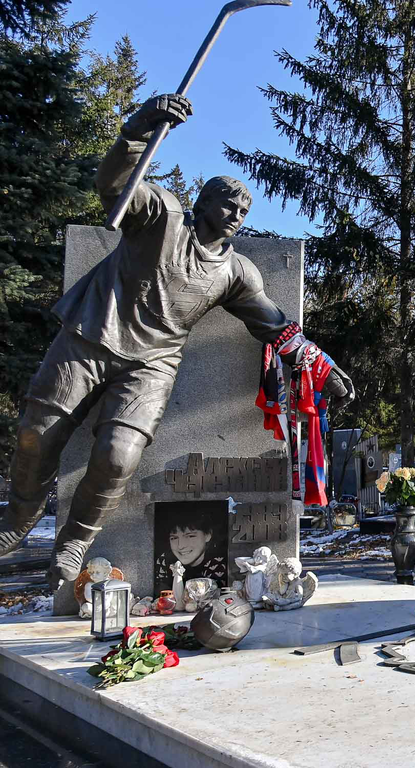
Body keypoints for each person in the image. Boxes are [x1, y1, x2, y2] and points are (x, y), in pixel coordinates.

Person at [0, 94, 354, 588]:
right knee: (37, 432)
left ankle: (76, 541)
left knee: (119, 456)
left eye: (245, 208)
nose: (236, 213)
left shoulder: (235, 271)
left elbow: (272, 324)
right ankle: (18, 518)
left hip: (151, 364)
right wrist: (140, 127)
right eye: (228, 201)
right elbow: (116, 185)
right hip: (90, 336)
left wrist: (323, 367)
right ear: (203, 202)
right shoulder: (162, 216)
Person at [154, 510, 227, 591]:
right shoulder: (165, 560)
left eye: (190, 536)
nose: (181, 546)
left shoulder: (218, 563)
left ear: (207, 535)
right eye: (174, 538)